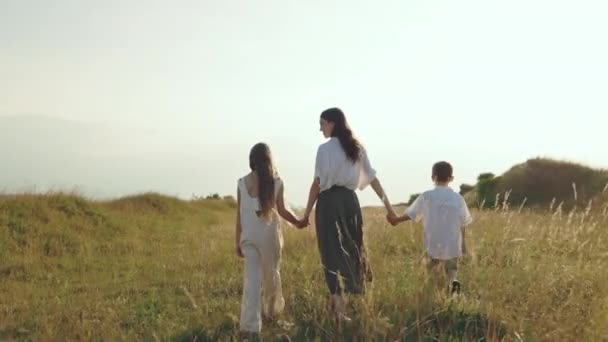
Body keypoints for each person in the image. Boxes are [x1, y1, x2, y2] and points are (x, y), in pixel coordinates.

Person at [302, 107, 397, 321]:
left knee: (330, 252)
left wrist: (306, 214)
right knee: (353, 248)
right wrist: (390, 210)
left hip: (328, 204)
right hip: (350, 202)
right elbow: (373, 180)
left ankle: (340, 309)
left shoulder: (324, 150)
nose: (320, 128)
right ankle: (355, 301)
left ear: (332, 123)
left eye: (322, 123)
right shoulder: (357, 148)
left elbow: (317, 184)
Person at [236, 143, 306, 337]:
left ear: (252, 159)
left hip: (248, 237)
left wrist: (237, 240)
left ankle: (250, 326)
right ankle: (272, 311)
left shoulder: (242, 182)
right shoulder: (276, 182)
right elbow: (283, 211)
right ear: (269, 159)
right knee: (272, 275)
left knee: (252, 280)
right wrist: (299, 222)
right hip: (269, 237)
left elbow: (239, 214)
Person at [387, 161, 473, 294]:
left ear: (433, 177)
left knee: (432, 273)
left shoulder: (426, 196)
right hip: (452, 245)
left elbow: (411, 214)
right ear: (451, 178)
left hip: (433, 244)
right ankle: (452, 288)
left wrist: (396, 220)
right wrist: (464, 246)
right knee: (451, 271)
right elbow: (463, 223)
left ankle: (435, 294)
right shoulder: (458, 199)